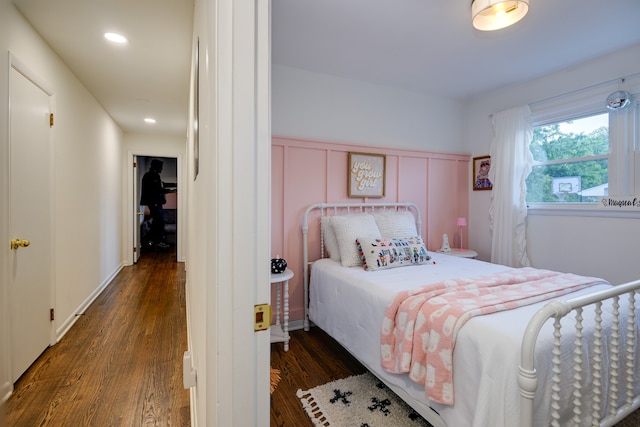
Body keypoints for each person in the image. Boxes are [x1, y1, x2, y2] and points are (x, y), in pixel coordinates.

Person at [140, 159, 170, 249]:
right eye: (161, 167)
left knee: (157, 222)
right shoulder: (152, 176)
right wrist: (168, 190)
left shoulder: (151, 175)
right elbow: (156, 190)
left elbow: (157, 189)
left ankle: (152, 241)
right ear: (156, 166)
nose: (162, 169)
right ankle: (154, 241)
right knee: (160, 222)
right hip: (154, 203)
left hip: (154, 203)